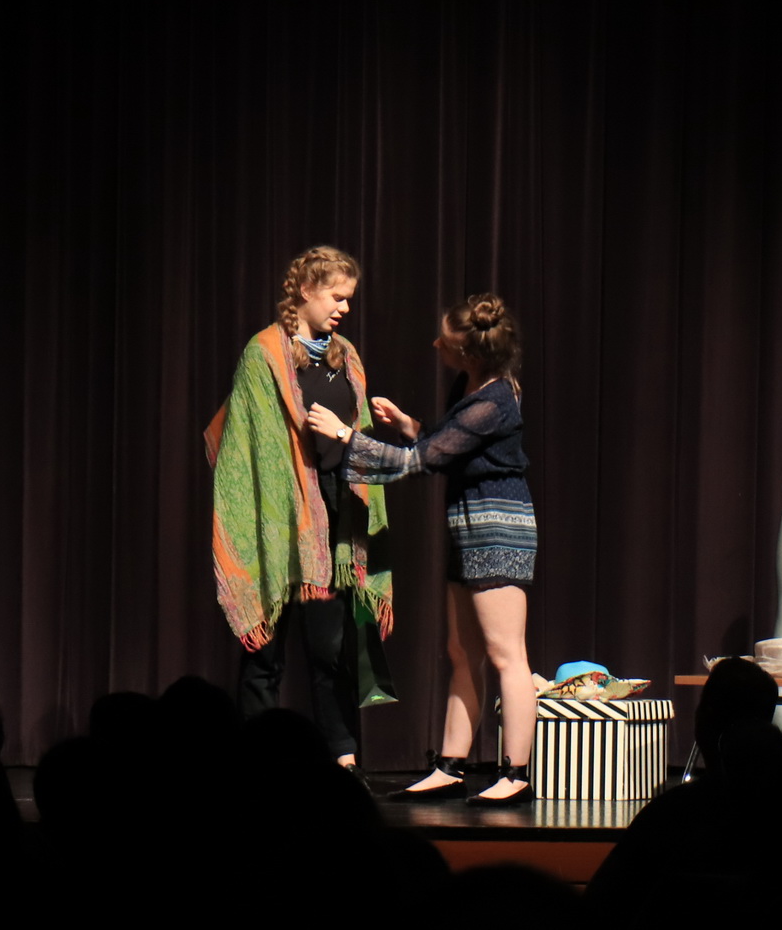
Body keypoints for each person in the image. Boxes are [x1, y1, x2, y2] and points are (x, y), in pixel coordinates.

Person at [306, 293, 536, 805]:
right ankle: (450, 767)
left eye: (445, 341)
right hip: (467, 525)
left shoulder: (495, 400)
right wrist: (411, 427)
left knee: (506, 654)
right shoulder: (471, 385)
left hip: (499, 527)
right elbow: (451, 446)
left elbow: (420, 462)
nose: (436, 345)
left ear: (470, 352)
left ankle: (516, 774)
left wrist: (345, 435)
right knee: (462, 652)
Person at [205, 245, 393, 777]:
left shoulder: (346, 355)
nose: (344, 308)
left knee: (331, 650)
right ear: (306, 290)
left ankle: (343, 759)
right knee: (264, 653)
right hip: (275, 518)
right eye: (336, 297)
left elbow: (357, 435)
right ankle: (255, 765)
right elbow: (245, 447)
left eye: (349, 299)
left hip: (334, 521)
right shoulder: (264, 354)